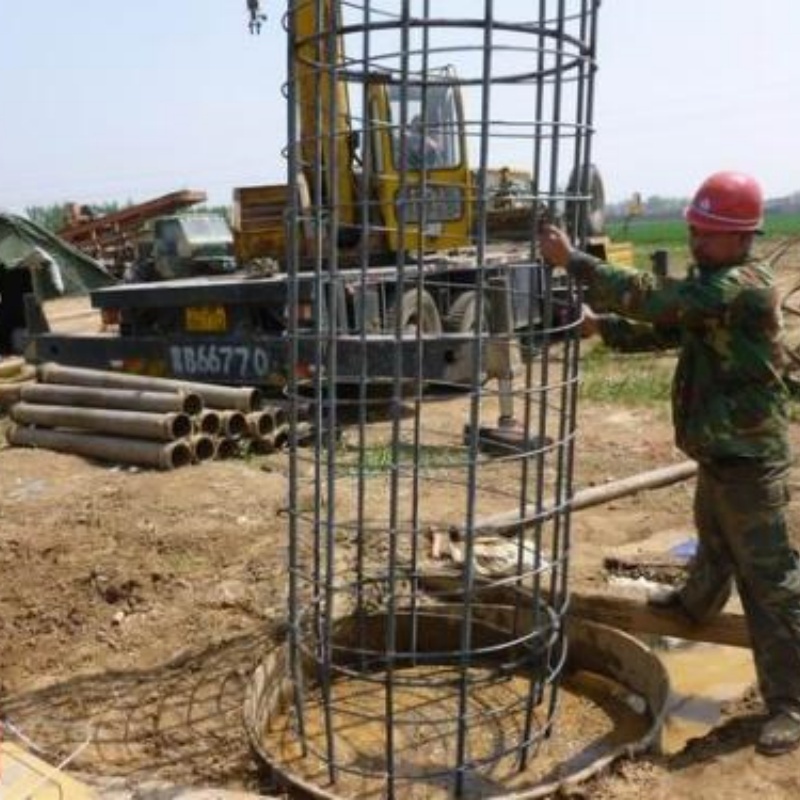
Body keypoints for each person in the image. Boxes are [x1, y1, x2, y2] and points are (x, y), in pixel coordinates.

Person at [538, 170, 800, 756]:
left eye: (707, 233)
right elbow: (672, 330)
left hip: (751, 459)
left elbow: (659, 301)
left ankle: (790, 703)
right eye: (694, 230)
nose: (695, 241)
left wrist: (573, 260)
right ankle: (694, 605)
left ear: (742, 236)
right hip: (723, 451)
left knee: (771, 584)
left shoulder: (741, 286)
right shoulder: (715, 291)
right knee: (714, 541)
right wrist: (604, 328)